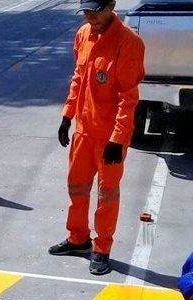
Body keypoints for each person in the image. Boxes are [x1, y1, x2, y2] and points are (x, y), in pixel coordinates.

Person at [49, 0, 145, 275]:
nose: (92, 17)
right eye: (87, 12)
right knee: (76, 187)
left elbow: (128, 98)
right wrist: (68, 116)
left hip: (109, 138)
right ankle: (78, 238)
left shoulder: (129, 43)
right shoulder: (83, 35)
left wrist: (117, 138)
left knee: (107, 194)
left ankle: (102, 248)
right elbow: (78, 77)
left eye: (97, 11)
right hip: (84, 131)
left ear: (112, 5)